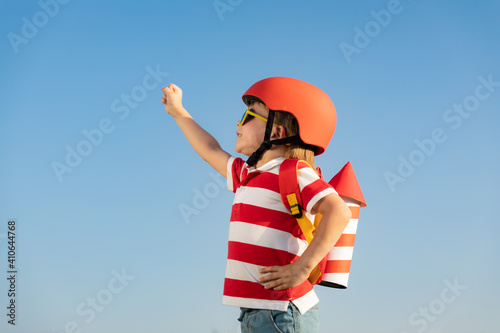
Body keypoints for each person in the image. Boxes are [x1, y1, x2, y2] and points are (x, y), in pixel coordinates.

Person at [161, 77, 352, 332]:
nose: (237, 124)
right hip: (254, 312)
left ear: (276, 132)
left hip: (283, 310)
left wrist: (302, 267)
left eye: (247, 116)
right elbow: (210, 149)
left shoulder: (293, 171)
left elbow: (338, 210)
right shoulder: (247, 175)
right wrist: (178, 111)